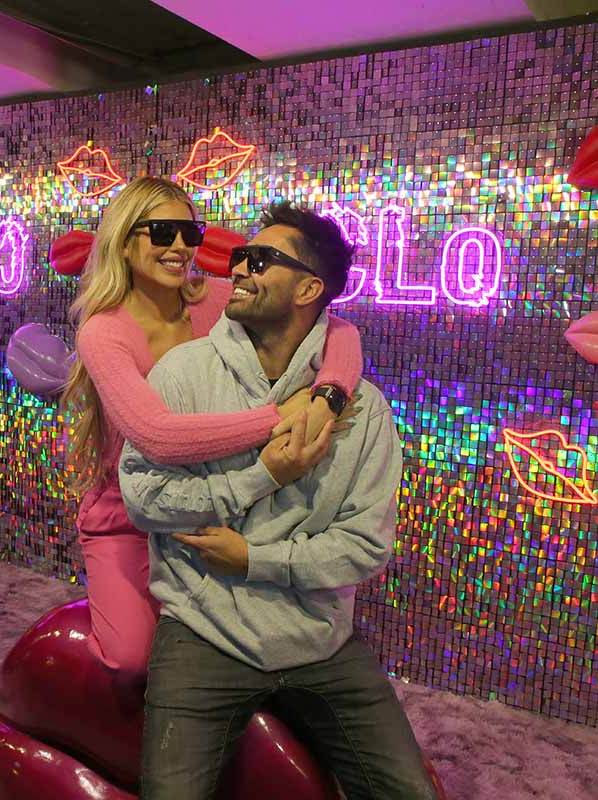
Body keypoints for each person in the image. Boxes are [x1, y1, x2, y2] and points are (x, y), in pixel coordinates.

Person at [119, 202, 437, 799]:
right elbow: (145, 499)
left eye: (260, 259)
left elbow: (365, 546)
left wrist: (253, 559)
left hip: (321, 641)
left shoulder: (362, 410)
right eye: (241, 255)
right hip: (202, 631)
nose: (237, 268)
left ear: (309, 288)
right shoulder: (184, 374)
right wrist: (261, 474)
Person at [60, 177, 364, 688]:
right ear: (124, 238)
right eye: (162, 232)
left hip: (216, 504)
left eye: (189, 232)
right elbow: (155, 435)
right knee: (135, 659)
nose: (180, 246)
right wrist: (276, 418)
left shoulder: (217, 298)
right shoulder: (104, 330)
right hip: (130, 515)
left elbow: (338, 330)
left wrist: (327, 395)